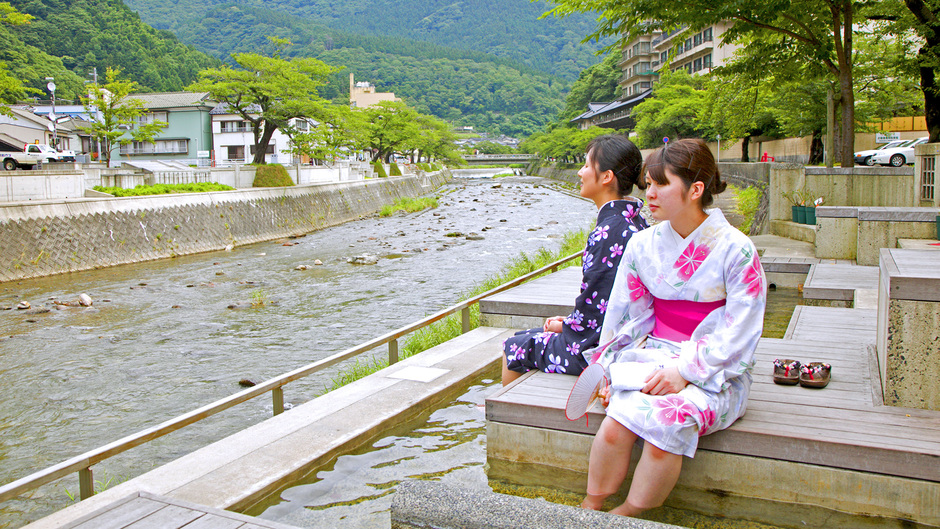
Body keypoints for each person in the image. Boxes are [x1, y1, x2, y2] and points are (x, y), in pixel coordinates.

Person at [579, 138, 766, 516]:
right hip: (654, 354)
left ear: (696, 189)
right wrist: (606, 365)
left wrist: (684, 371)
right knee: (616, 425)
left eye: (661, 184)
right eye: (648, 184)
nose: (650, 194)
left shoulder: (737, 249)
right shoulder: (641, 245)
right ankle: (591, 503)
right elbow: (628, 316)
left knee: (668, 426)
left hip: (714, 368)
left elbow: (742, 329)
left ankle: (630, 512)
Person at [502, 134, 649, 385]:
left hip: (599, 348)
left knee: (513, 345)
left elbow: (597, 304)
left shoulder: (609, 233)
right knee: (530, 335)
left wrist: (568, 326)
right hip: (628, 332)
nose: (580, 173)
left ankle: (502, 413)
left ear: (606, 176)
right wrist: (569, 321)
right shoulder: (634, 219)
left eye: (586, 165)